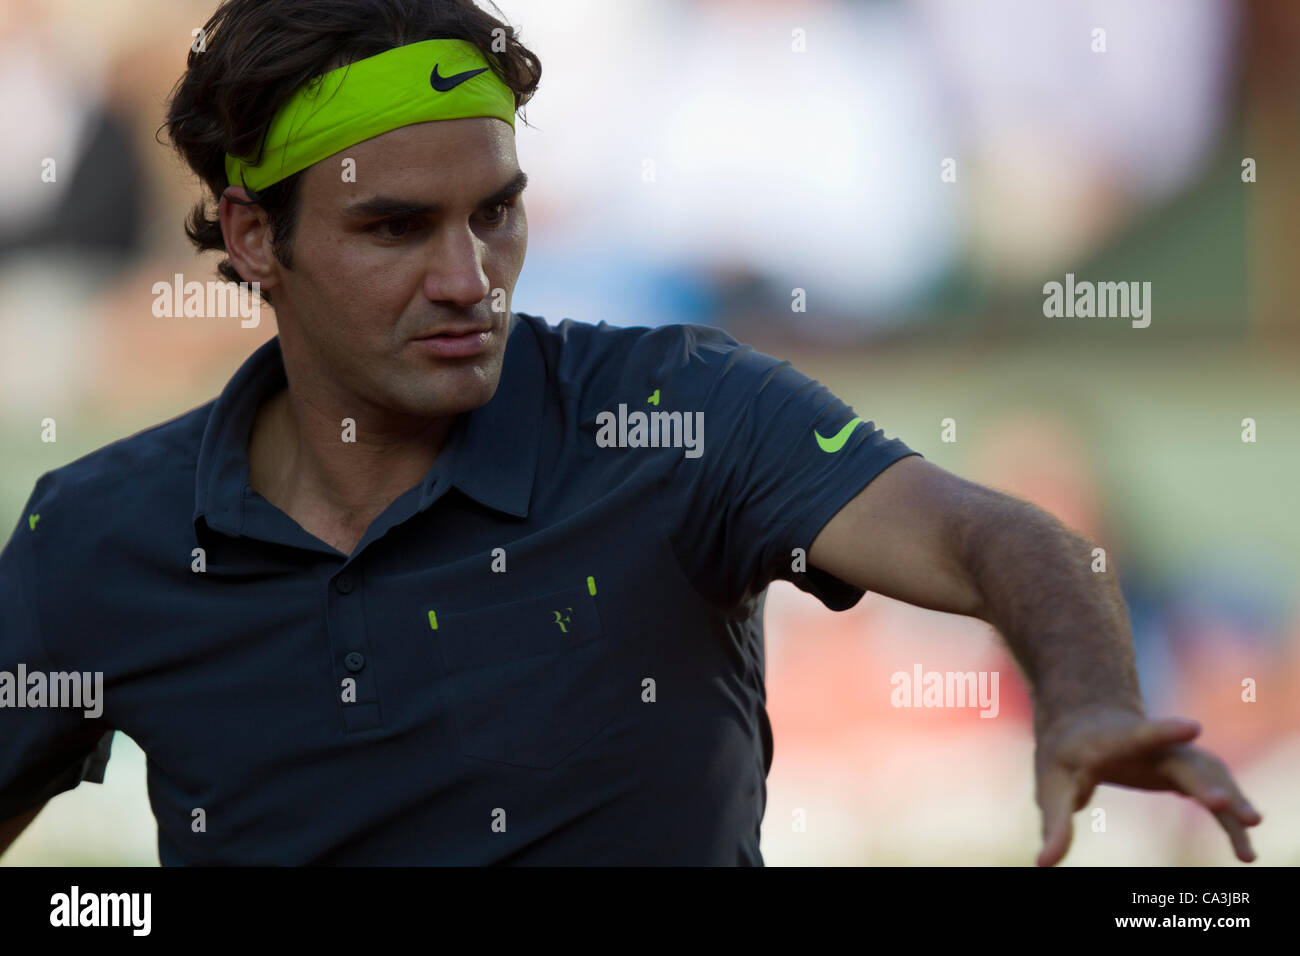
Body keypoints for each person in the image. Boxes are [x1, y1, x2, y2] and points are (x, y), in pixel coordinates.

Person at [0, 0, 1261, 865]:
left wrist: (1085, 700)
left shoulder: (682, 413)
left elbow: (994, 534)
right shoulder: (99, 534)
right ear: (253, 236)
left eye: (497, 212)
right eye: (396, 228)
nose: (469, 275)